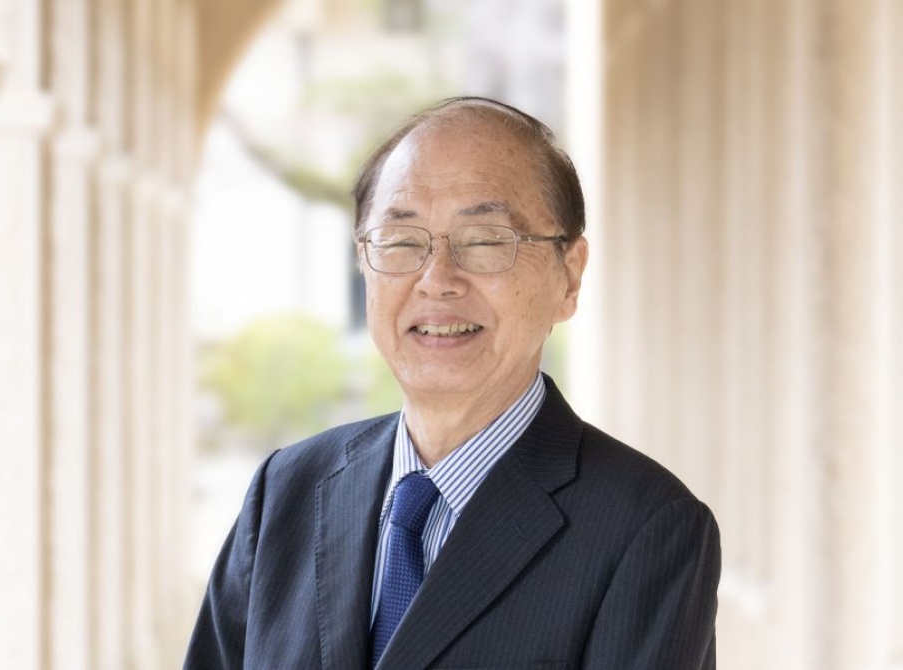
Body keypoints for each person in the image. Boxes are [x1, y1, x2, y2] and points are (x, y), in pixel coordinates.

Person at [185, 96, 721, 669]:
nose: (437, 280)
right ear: (364, 262)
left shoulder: (646, 528)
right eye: (401, 241)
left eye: (485, 241)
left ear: (568, 276)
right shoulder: (285, 492)